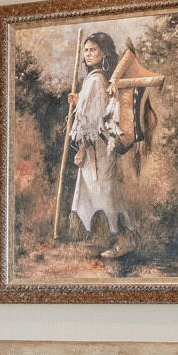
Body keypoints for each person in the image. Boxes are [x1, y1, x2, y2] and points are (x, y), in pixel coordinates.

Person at [64, 32, 125, 241]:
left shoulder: (96, 80)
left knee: (100, 188)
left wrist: (82, 149)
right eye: (86, 50)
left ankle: (112, 234)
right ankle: (101, 233)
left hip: (97, 147)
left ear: (103, 53)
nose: (88, 54)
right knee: (97, 187)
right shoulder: (96, 79)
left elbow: (94, 121)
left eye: (93, 50)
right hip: (98, 146)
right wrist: (79, 100)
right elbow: (90, 108)